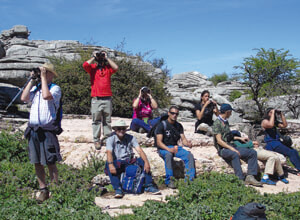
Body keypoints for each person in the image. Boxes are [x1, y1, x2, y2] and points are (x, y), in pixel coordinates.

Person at [20, 63, 62, 203]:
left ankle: (55, 190)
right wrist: (32, 79)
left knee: (50, 161)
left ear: (51, 74)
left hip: (47, 130)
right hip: (34, 129)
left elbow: (46, 96)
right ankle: (43, 189)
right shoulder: (36, 88)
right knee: (37, 161)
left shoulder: (55, 88)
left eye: (45, 72)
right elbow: (24, 98)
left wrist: (43, 78)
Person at [105, 120, 160, 198]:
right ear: (115, 130)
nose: (121, 130)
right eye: (119, 129)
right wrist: (110, 165)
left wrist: (146, 162)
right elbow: (109, 152)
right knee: (108, 164)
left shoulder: (131, 138)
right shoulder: (110, 139)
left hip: (129, 161)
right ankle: (117, 189)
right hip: (118, 161)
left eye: (123, 128)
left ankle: (149, 185)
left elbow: (139, 150)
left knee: (142, 161)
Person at [212, 104, 262, 186]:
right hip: (223, 149)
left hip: (231, 145)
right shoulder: (217, 123)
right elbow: (219, 141)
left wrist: (239, 138)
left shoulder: (225, 122)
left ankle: (250, 176)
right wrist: (232, 149)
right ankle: (240, 179)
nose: (231, 114)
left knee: (252, 153)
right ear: (227, 112)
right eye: (230, 112)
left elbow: (228, 136)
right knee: (235, 154)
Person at [83, 51, 118, 150]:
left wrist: (107, 58)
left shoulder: (108, 69)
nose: (100, 58)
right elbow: (85, 65)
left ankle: (107, 138)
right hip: (96, 98)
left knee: (107, 120)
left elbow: (116, 67)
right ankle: (96, 140)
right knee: (96, 120)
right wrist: (94, 57)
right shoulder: (93, 68)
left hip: (107, 98)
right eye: (100, 57)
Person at [156, 106, 195, 188]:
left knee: (189, 156)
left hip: (175, 147)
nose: (174, 115)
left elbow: (183, 139)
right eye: (173, 113)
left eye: (176, 114)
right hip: (164, 148)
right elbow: (158, 142)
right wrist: (168, 149)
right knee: (168, 155)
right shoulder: (162, 125)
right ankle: (169, 180)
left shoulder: (179, 126)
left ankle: (189, 180)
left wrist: (187, 144)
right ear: (169, 113)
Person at [261, 108, 300, 176]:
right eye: (270, 112)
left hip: (277, 142)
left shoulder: (274, 121)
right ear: (267, 113)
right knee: (291, 152)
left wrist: (281, 115)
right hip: (272, 143)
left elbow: (284, 125)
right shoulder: (264, 121)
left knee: (294, 151)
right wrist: (273, 113)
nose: (272, 113)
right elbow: (270, 125)